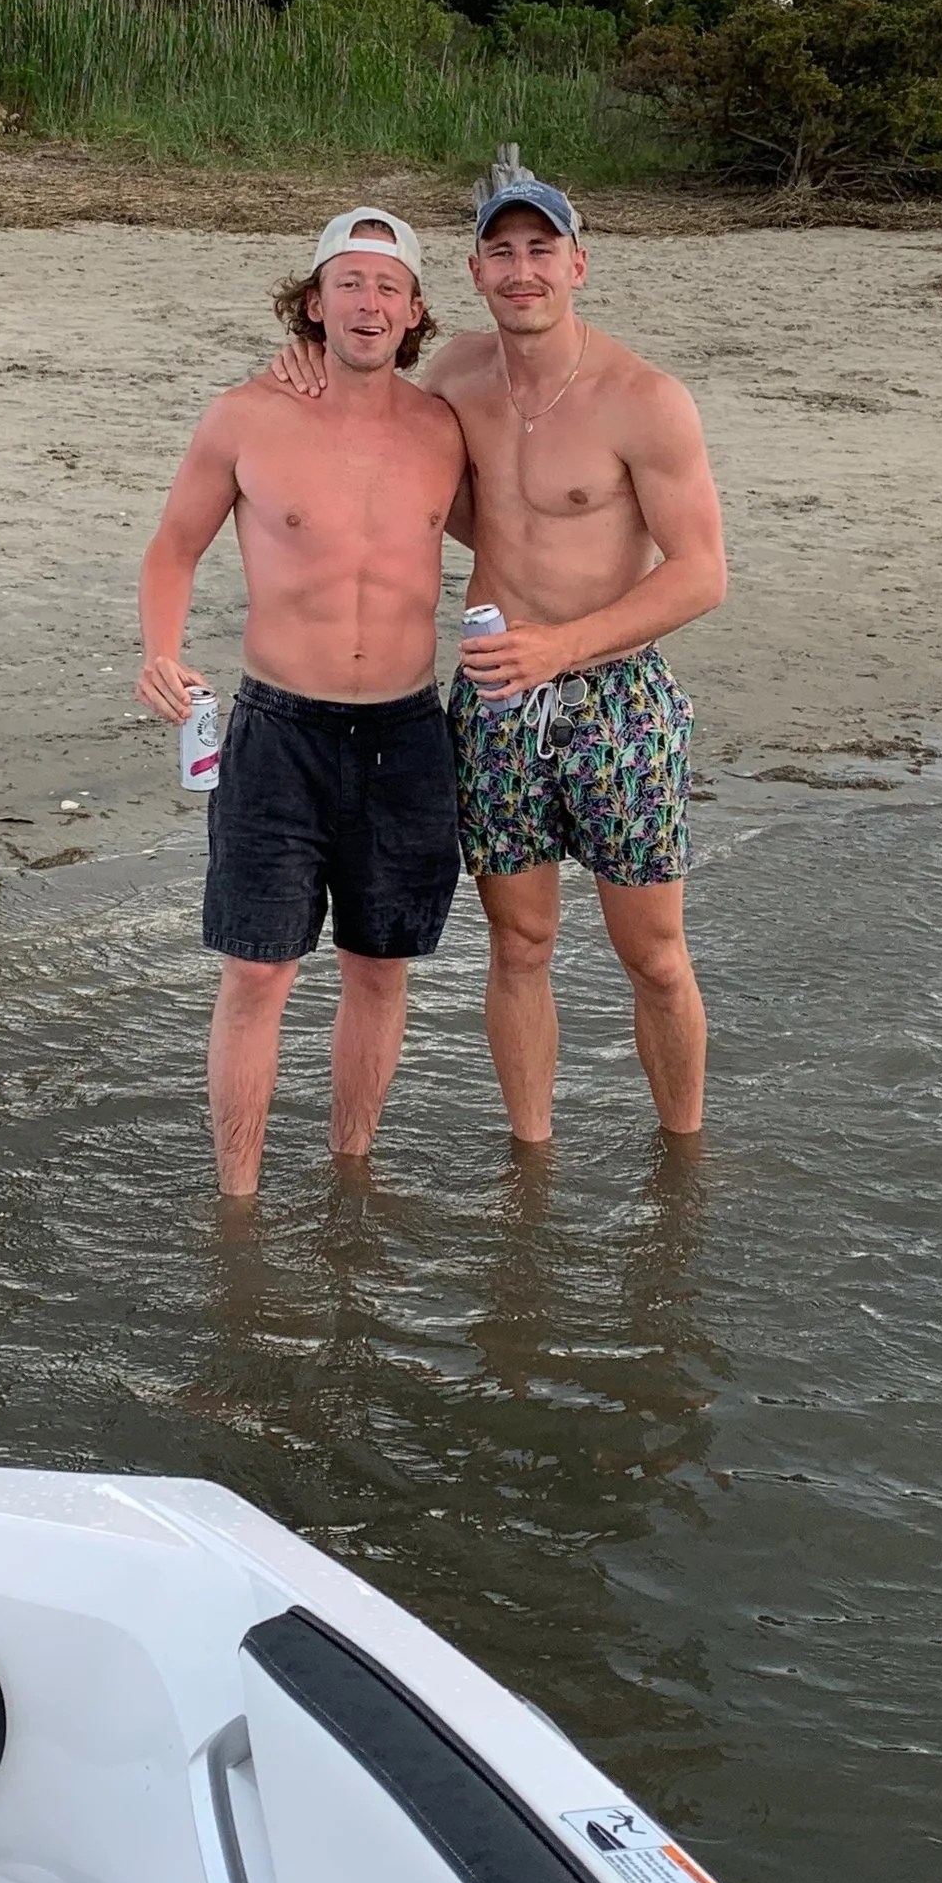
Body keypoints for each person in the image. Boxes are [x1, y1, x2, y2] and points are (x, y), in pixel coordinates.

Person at [273, 157, 726, 1145]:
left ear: (578, 265)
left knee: (651, 953)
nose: (522, 269)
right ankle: (533, 1161)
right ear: (474, 274)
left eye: (542, 250)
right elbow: (372, 425)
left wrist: (563, 642)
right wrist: (299, 360)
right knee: (519, 943)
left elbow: (699, 572)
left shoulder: (643, 398)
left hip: (615, 698)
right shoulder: (454, 380)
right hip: (493, 700)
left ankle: (683, 1159)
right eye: (501, 251)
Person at [137, 208, 468, 1198]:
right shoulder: (246, 414)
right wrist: (159, 651)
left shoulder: (443, 427)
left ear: (413, 313)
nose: (368, 303)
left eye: (388, 287)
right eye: (348, 282)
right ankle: (236, 1202)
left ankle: (349, 1182)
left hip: (408, 735)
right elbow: (172, 548)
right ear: (313, 302)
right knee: (255, 972)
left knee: (379, 968)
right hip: (279, 729)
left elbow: (523, 532)